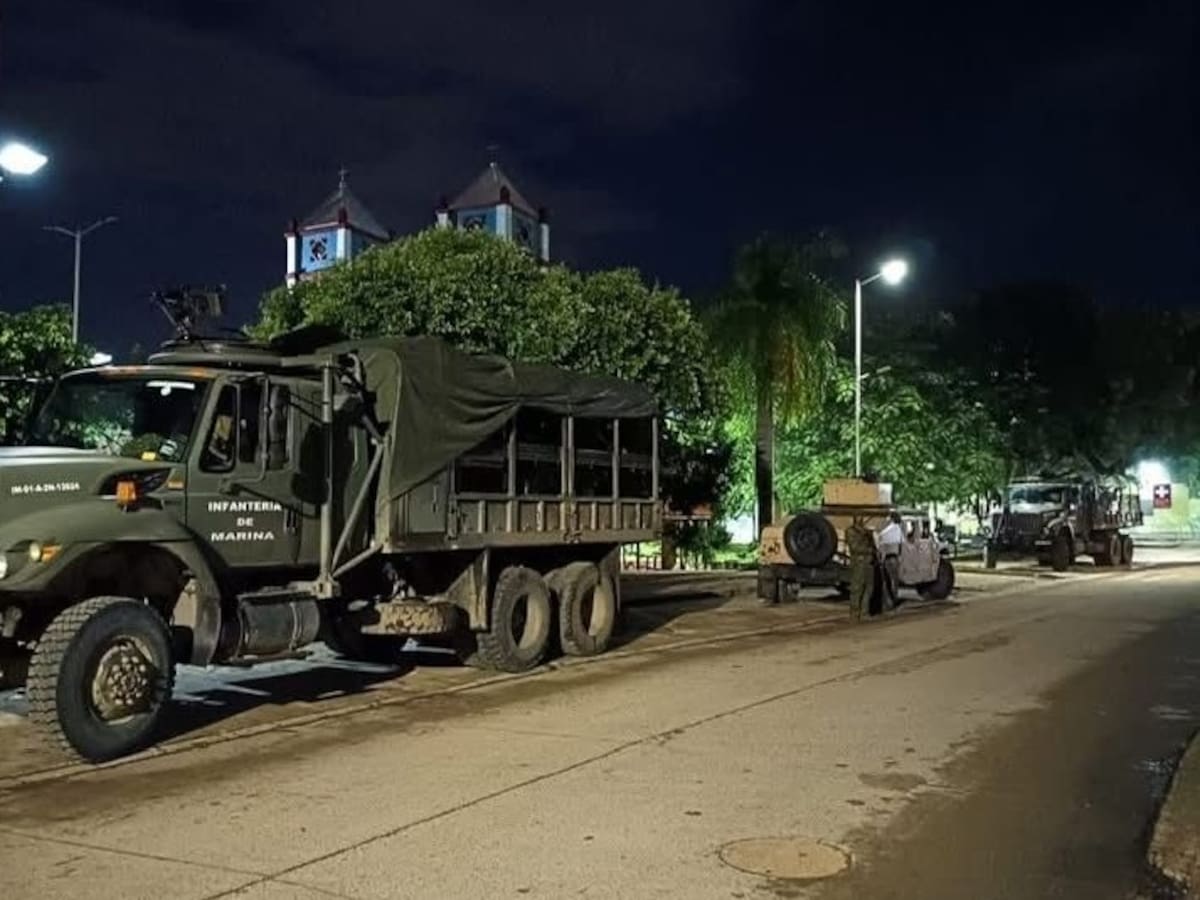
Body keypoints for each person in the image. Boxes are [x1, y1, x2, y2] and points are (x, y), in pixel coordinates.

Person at [845, 515, 877, 622]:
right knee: (857, 588)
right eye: (858, 517)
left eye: (861, 517)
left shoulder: (866, 532)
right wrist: (868, 549)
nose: (861, 519)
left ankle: (864, 612)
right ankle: (854, 613)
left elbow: (873, 546)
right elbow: (854, 547)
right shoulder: (851, 531)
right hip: (859, 562)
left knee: (869, 587)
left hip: (869, 562)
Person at [876, 512, 904, 612]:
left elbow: (880, 543)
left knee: (886, 581)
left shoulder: (885, 531)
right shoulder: (898, 530)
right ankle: (893, 601)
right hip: (894, 557)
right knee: (894, 581)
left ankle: (887, 602)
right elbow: (902, 544)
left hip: (886, 558)